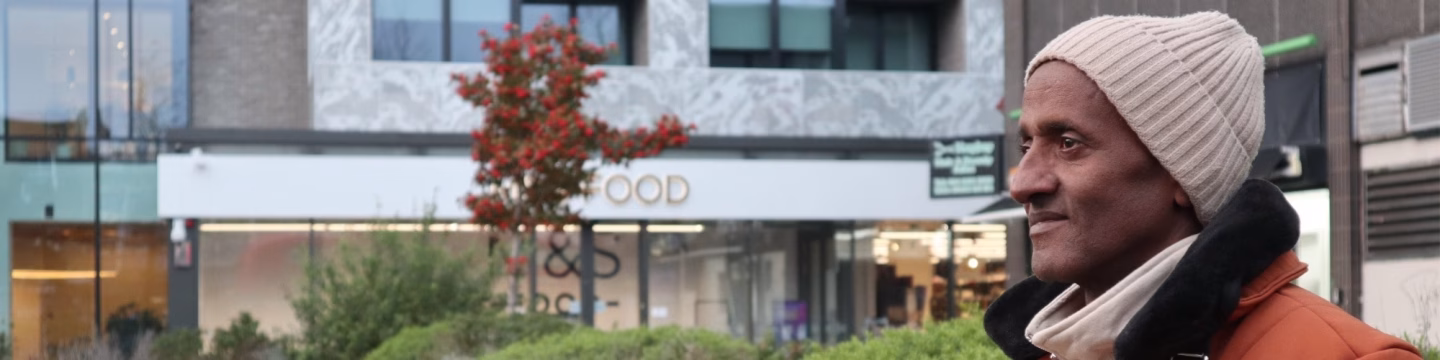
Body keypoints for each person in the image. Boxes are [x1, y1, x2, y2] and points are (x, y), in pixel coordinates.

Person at [983, 12, 1423, 360]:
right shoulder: (1049, 349)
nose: (1023, 182)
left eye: (1068, 143)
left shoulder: (1347, 356)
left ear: (1182, 171)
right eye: (1026, 145)